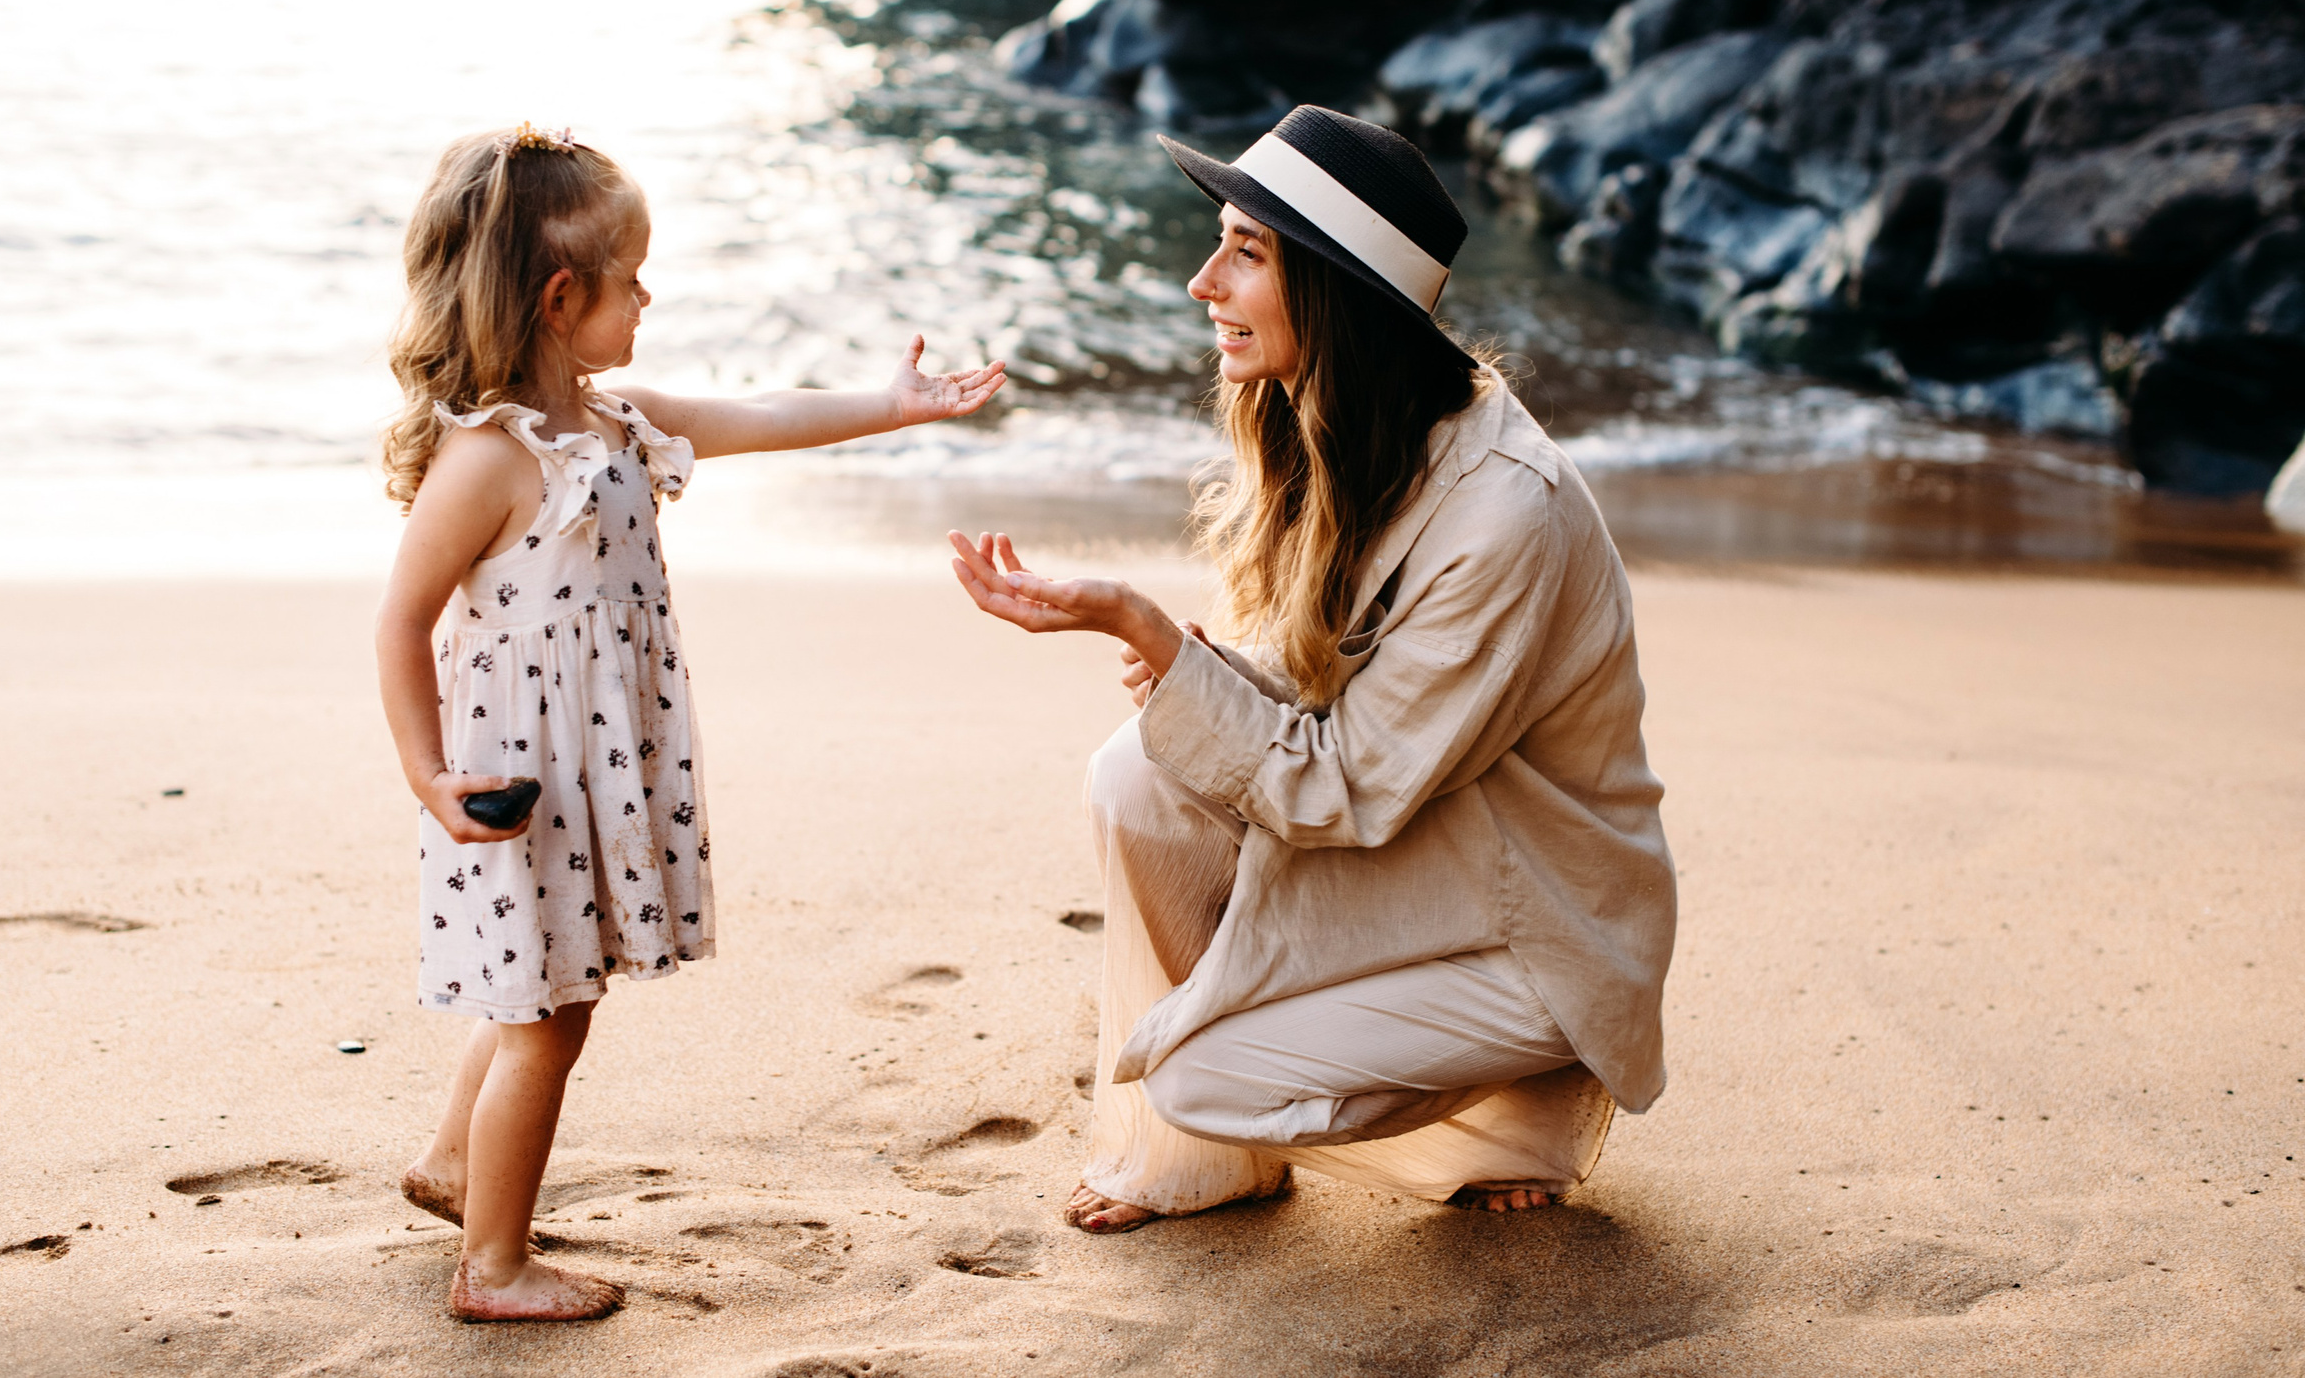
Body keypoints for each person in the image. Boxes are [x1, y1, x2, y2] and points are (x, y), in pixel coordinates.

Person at [949, 105, 1675, 1232]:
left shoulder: (1504, 511)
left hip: (1531, 911)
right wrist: (1201, 671)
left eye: (1245, 253)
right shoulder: (1337, 429)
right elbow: (1330, 689)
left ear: (1334, 292)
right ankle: (1222, 1153)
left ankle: (1522, 1090)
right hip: (1430, 844)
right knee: (1136, 773)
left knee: (1199, 1080)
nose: (1203, 282)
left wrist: (1146, 629)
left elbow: (1343, 783)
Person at [376, 123, 1005, 1320]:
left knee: (541, 985)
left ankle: (455, 1165)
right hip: (524, 781)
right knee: (549, 1022)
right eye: (631, 279)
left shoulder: (613, 422)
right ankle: (494, 1268)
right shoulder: (490, 462)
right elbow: (399, 623)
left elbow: (764, 411)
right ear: (562, 297)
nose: (647, 296)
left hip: (589, 764)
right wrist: (426, 774)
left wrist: (893, 404)